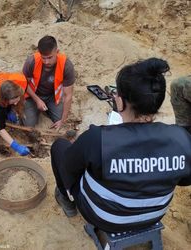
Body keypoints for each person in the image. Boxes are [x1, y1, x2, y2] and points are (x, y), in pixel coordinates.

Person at [50, 58, 191, 232]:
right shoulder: (181, 139)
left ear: (121, 102)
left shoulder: (98, 139)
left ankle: (66, 201)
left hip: (105, 218)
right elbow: (184, 180)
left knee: (59, 147)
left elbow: (68, 170)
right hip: (153, 216)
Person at [22, 35, 75, 130]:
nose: (46, 62)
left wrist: (63, 120)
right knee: (28, 124)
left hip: (53, 96)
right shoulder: (31, 61)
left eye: (50, 57)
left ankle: (47, 109)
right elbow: (24, 83)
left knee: (60, 119)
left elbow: (68, 95)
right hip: (33, 95)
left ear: (57, 52)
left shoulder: (66, 65)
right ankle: (38, 107)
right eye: (43, 58)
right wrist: (37, 100)